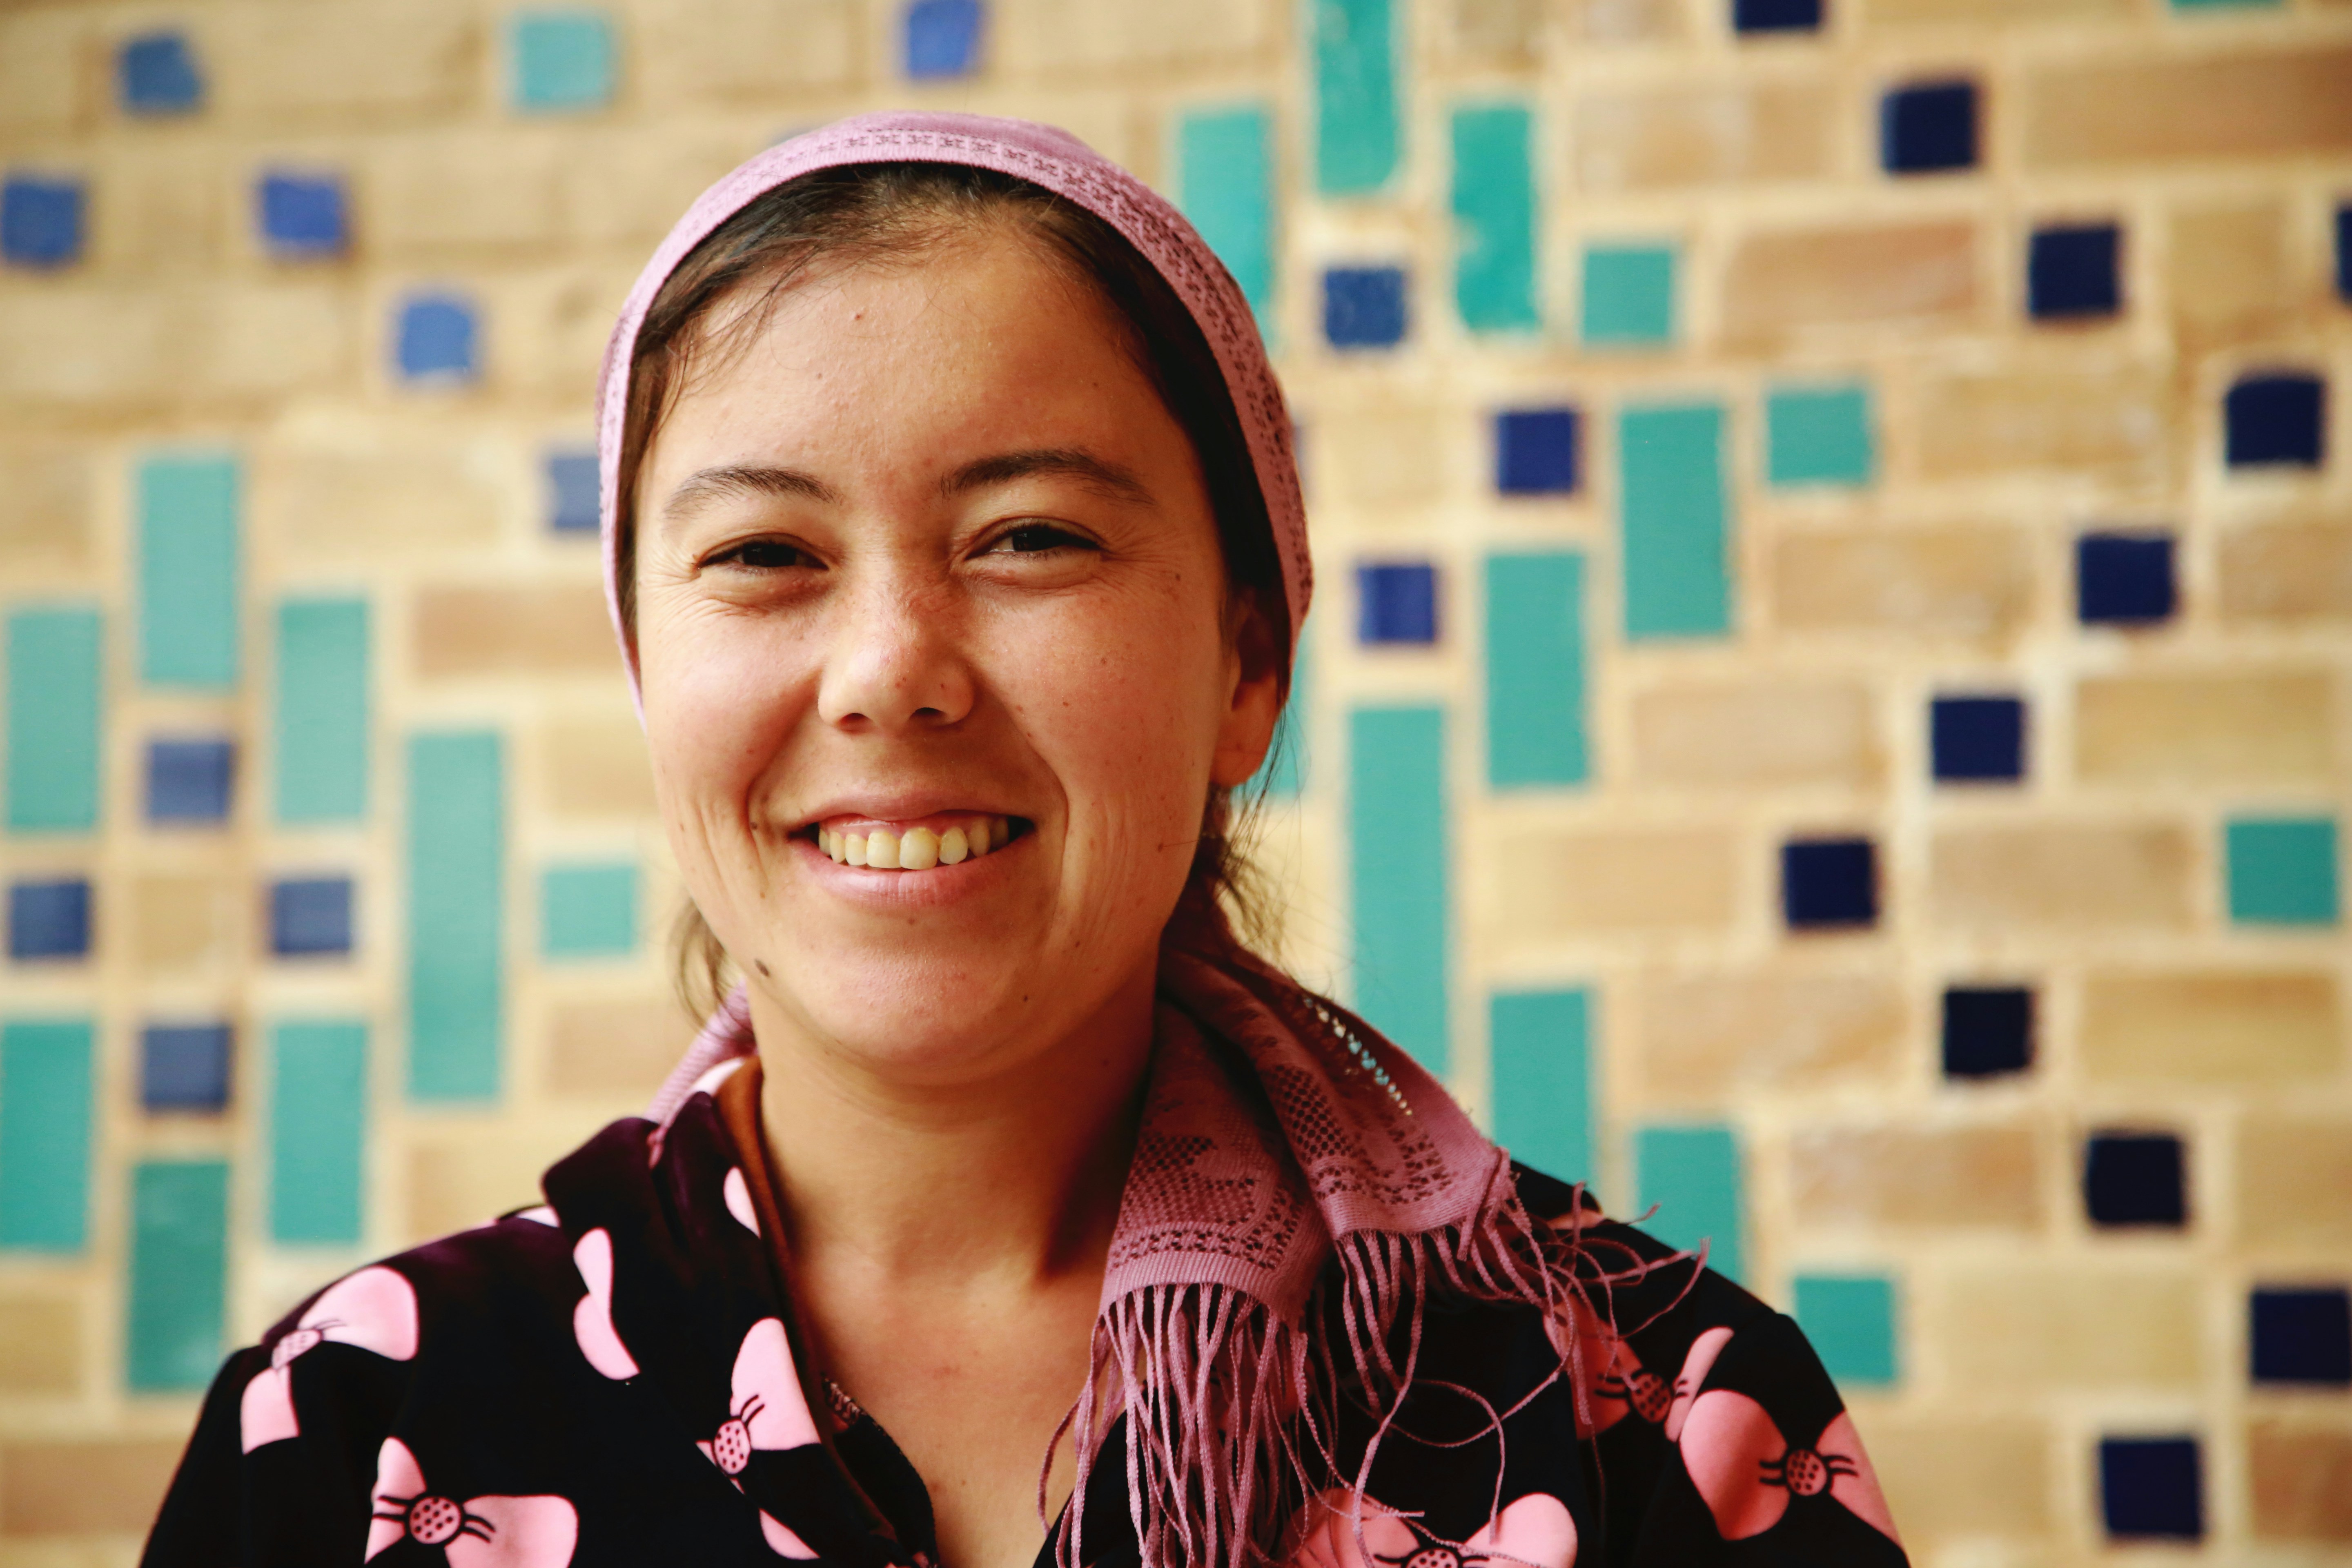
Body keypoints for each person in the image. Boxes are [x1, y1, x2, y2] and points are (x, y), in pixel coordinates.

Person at [142, 112, 1908, 1568]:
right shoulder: (362, 1440)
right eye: (763, 555)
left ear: (1248, 665)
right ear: (643, 668)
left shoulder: (1653, 1412)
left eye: (1032, 537)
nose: (892, 670)